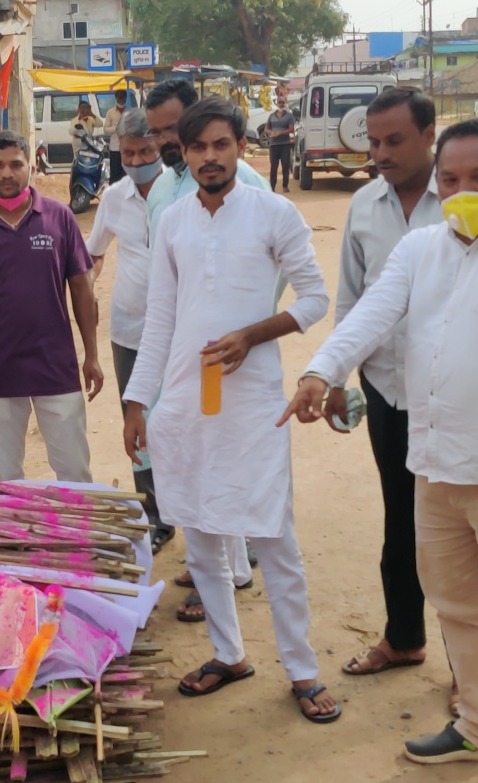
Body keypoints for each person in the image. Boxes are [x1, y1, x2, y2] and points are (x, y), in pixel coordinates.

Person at [282, 120, 478, 783]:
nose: (462, 192)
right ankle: (475, 727)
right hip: (437, 465)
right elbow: (372, 316)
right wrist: (320, 369)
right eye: (450, 180)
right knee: (458, 608)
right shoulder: (422, 249)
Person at [119, 98, 337, 723]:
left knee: (274, 534)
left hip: (253, 402)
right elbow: (160, 318)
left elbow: (317, 298)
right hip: (186, 400)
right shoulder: (175, 222)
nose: (209, 157)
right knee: (201, 530)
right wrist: (138, 401)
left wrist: (253, 335)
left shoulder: (274, 212)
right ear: (182, 154)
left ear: (243, 145)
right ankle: (229, 653)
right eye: (197, 147)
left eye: (221, 144)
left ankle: (301, 669)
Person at [141, 78, 270, 617]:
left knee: (226, 461)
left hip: (235, 352)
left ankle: (225, 572)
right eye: (160, 134)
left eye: (176, 128)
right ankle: (218, 567)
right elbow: (164, 288)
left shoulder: (255, 192)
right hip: (177, 351)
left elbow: (277, 279)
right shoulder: (164, 195)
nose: (168, 141)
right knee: (191, 457)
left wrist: (246, 336)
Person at [329, 88, 441, 678]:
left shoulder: (464, 201)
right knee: (400, 519)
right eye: (373, 142)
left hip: (451, 392)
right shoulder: (365, 204)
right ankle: (404, 638)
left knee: (456, 530)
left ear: (429, 134)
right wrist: (337, 370)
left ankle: (471, 676)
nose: (379, 153)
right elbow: (353, 296)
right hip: (386, 387)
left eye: (394, 141)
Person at [0, 131, 102, 484]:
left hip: (56, 366)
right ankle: (19, 541)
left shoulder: (60, 218)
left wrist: (91, 354)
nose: (6, 173)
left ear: (31, 168)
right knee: (7, 477)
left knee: (75, 472)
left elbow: (81, 288)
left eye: (16, 164)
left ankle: (74, 537)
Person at [87, 107, 174, 553]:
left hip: (178, 333)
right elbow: (95, 251)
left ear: (159, 148)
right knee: (137, 424)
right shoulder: (115, 197)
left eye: (145, 151)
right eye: (129, 153)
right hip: (127, 331)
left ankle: (190, 510)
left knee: (180, 421)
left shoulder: (181, 191)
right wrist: (89, 281)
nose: (137, 161)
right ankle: (156, 516)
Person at [264, 99, 298, 193]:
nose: (281, 104)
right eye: (279, 102)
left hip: (285, 144)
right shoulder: (271, 116)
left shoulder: (289, 116)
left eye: (283, 103)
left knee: (285, 165)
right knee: (273, 167)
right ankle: (272, 187)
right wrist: (270, 132)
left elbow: (291, 129)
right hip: (273, 145)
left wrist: (280, 133)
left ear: (285, 104)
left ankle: (285, 186)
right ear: (276, 103)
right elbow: (266, 128)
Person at [102, 87, 130, 183]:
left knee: (126, 173)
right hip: (114, 148)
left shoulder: (129, 112)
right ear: (116, 99)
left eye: (123, 98)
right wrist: (116, 128)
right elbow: (105, 130)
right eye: (119, 98)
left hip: (127, 148)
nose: (121, 100)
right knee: (115, 174)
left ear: (126, 98)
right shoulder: (110, 112)